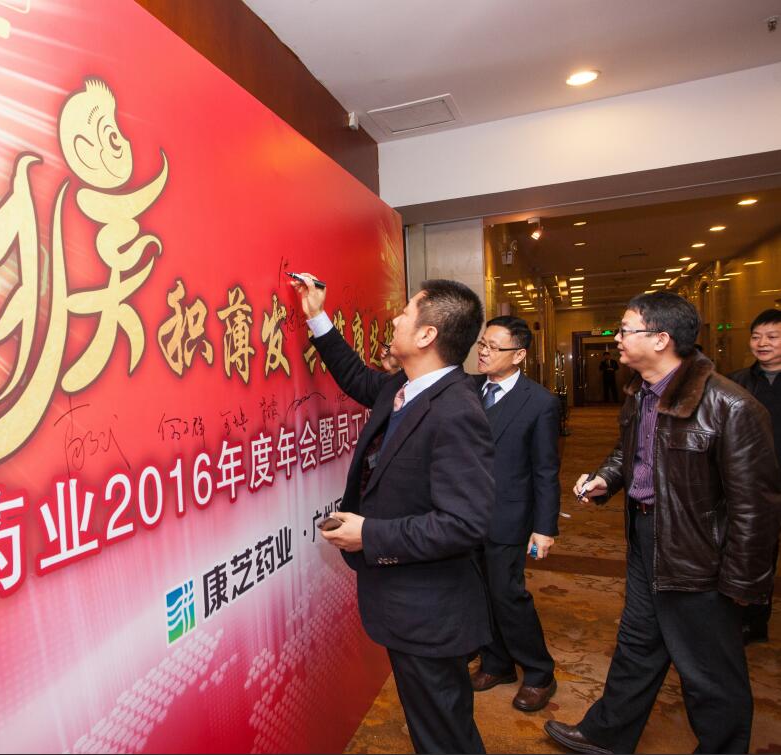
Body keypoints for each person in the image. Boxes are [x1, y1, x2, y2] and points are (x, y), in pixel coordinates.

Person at [545, 292, 780, 755]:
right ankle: (607, 734)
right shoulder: (641, 393)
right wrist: (606, 479)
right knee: (638, 642)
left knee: (709, 669)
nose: (617, 338)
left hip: (700, 553)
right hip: (646, 537)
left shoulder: (731, 405)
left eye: (625, 329)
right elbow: (630, 453)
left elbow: (756, 508)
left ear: (660, 339)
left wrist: (743, 584)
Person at [291, 275, 494, 754]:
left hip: (431, 613)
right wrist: (316, 316)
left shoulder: (456, 410)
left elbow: (465, 523)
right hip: (410, 608)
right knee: (438, 727)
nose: (395, 320)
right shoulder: (406, 387)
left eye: (405, 314)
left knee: (443, 735)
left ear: (427, 334)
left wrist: (371, 534)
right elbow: (356, 378)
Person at [470, 316, 560, 712]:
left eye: (494, 347)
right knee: (478, 593)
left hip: (508, 517)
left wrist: (544, 527)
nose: (483, 352)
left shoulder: (539, 402)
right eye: (482, 344)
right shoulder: (468, 390)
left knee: (508, 596)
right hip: (465, 516)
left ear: (519, 355)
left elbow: (546, 470)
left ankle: (539, 672)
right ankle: (496, 663)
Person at [728, 308, 781, 645]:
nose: (762, 343)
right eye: (757, 336)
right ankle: (753, 620)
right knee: (757, 554)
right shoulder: (737, 382)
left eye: (772, 337)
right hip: (753, 486)